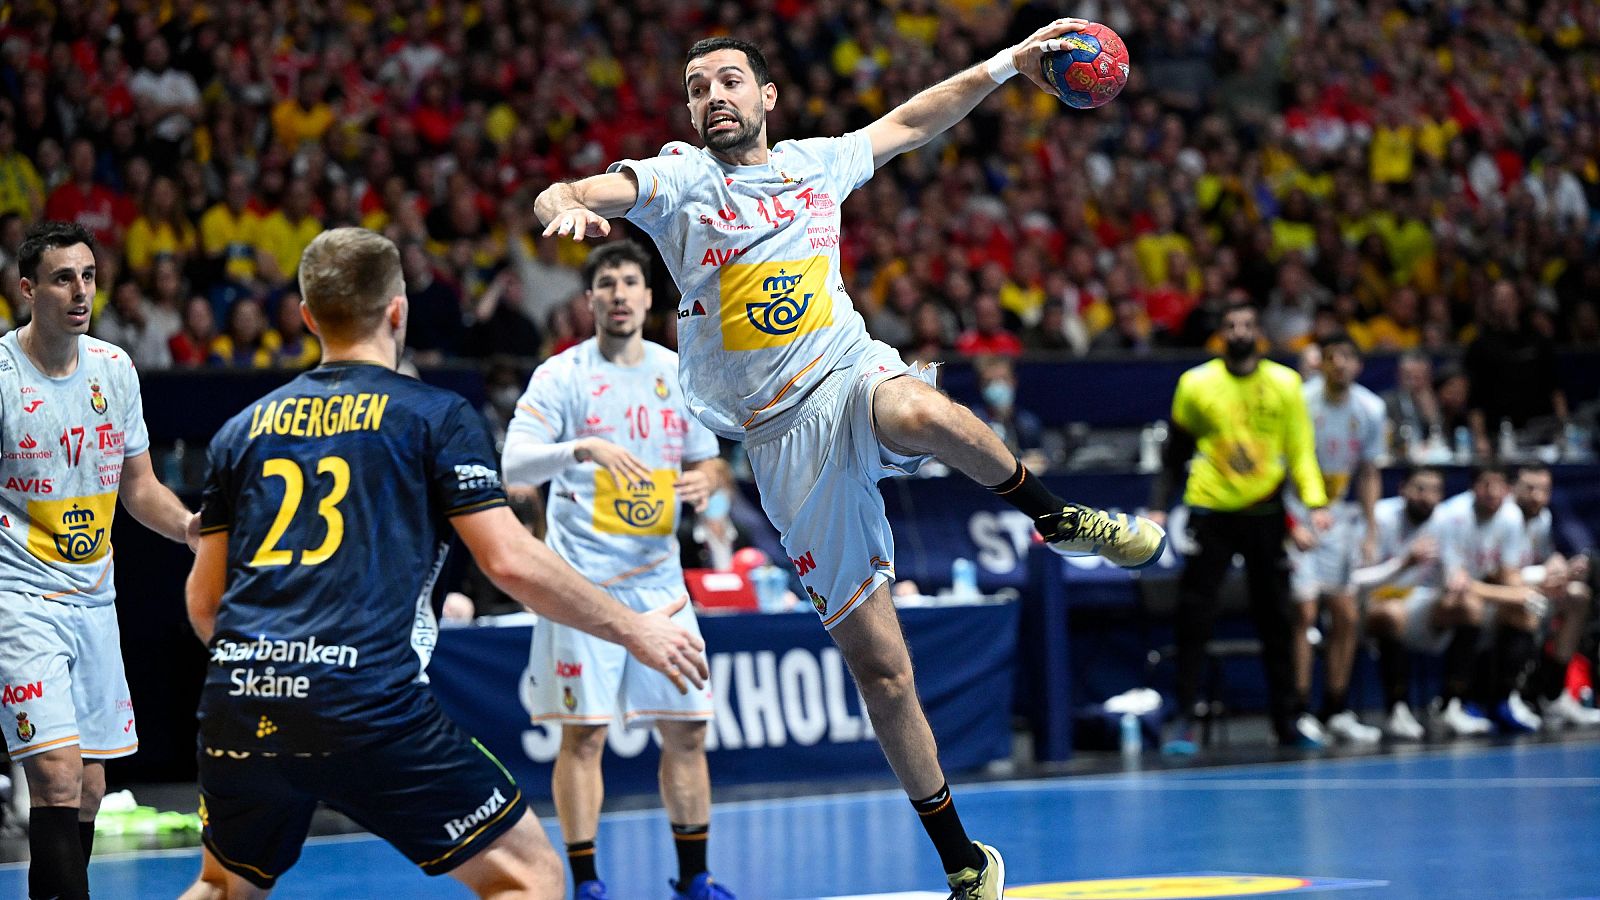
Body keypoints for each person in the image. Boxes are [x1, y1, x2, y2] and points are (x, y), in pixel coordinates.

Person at [532, 27, 1165, 898]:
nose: (711, 95)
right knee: (885, 673)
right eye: (695, 86)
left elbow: (915, 120)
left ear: (767, 97)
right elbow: (578, 188)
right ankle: (963, 861)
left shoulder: (815, 164)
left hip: (845, 373)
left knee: (914, 404)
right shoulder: (680, 181)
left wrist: (1009, 62)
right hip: (781, 442)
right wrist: (561, 199)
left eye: (728, 80)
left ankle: (1056, 515)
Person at [179, 227, 708, 900]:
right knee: (531, 878)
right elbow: (509, 562)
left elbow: (205, 604)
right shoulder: (434, 415)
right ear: (398, 310)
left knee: (224, 887)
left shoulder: (239, 431)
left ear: (308, 317)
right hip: (364, 703)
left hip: (240, 701)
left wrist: (272, 675)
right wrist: (635, 629)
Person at [502, 239, 735, 900]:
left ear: (648, 295)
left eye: (631, 282)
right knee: (585, 736)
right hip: (582, 586)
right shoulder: (561, 377)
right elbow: (513, 466)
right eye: (607, 284)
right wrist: (584, 449)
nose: (620, 294)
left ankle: (695, 879)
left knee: (688, 731)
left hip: (661, 582)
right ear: (590, 300)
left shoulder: (675, 370)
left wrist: (704, 481)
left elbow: (711, 461)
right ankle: (587, 884)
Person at [0, 221, 199, 900]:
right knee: (54, 776)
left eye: (88, 275)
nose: (80, 290)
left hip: (95, 599)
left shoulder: (114, 370)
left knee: (88, 788)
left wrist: (191, 528)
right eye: (63, 278)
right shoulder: (1, 378)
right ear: (28, 290)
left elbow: (139, 487)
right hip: (19, 599)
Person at [1149, 300, 1333, 754]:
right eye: (1230, 324)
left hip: (1266, 513)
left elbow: (1301, 449)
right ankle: (1186, 721)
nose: (1239, 330)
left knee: (1277, 619)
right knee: (1195, 617)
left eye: (1247, 323)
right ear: (1221, 335)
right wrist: (1158, 505)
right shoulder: (1195, 383)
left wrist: (1315, 503)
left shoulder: (1286, 383)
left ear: (1259, 333)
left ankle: (1287, 721)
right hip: (1210, 511)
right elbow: (1175, 452)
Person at [1287, 332, 1385, 744]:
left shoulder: (1371, 409)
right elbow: (1280, 465)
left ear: (1358, 365)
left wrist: (1370, 530)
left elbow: (1368, 472)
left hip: (1342, 518)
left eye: (1348, 357)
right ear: (1320, 364)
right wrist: (1292, 525)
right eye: (1332, 357)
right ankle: (1298, 709)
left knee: (1346, 614)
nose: (1340, 364)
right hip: (1300, 512)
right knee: (1305, 613)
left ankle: (1336, 707)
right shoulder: (1300, 402)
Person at [1431, 465, 1543, 733]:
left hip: (1484, 594)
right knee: (1471, 607)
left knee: (1524, 612)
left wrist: (1527, 593)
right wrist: (1516, 595)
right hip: (1436, 598)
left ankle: (1504, 700)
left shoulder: (1511, 515)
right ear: (1472, 488)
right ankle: (1451, 702)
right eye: (1485, 484)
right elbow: (1458, 584)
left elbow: (1508, 572)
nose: (1492, 492)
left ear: (1507, 489)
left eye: (1499, 485)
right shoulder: (1452, 515)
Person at [1358, 467, 1458, 740]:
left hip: (1417, 602)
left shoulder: (1444, 521)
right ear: (1402, 489)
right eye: (1420, 488)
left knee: (1465, 606)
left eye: (1435, 490)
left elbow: (1451, 569)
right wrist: (1404, 564)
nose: (1427, 497)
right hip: (1370, 603)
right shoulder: (1378, 517)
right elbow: (1356, 580)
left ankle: (1452, 703)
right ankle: (1397, 709)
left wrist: (1454, 581)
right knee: (1392, 613)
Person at [1506, 465, 1600, 727]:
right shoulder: (1504, 517)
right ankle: (1509, 695)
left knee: (1577, 596)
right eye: (1530, 489)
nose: (1538, 497)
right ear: (1512, 488)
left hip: (1529, 588)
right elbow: (1501, 574)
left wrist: (1563, 568)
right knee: (1528, 603)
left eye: (1544, 490)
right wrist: (1543, 574)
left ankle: (1553, 692)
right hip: (1499, 594)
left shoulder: (1542, 517)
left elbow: (1543, 561)